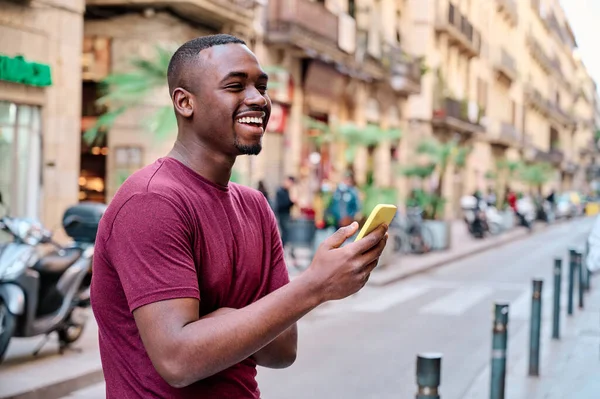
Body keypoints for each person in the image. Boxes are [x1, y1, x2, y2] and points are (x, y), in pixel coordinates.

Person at [90, 34, 389, 399]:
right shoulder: (152, 202)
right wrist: (314, 285)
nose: (258, 99)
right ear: (185, 102)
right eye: (235, 86)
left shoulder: (255, 207)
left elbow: (282, 351)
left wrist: (221, 320)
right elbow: (178, 361)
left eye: (261, 86)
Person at [275, 176, 295, 247]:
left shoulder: (286, 191)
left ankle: (283, 247)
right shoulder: (280, 191)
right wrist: (291, 202)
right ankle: (282, 247)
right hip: (282, 214)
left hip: (286, 214)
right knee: (285, 232)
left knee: (286, 232)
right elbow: (282, 204)